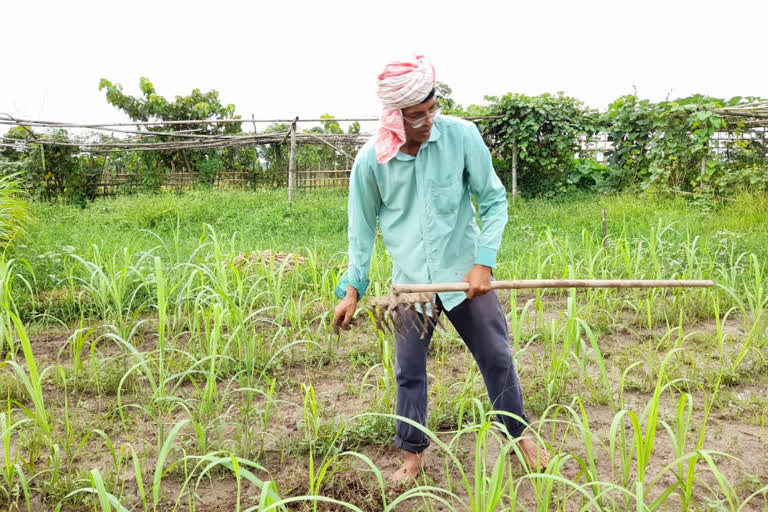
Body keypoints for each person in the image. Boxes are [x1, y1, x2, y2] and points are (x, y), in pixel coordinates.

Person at [332, 55, 549, 483]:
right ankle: (412, 455)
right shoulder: (371, 162)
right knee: (409, 369)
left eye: (433, 108)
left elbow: (493, 200)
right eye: (416, 115)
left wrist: (483, 261)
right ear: (395, 116)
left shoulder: (462, 137)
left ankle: (519, 434)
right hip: (412, 285)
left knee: (497, 356)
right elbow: (362, 228)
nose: (428, 119)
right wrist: (353, 287)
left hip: (465, 278)